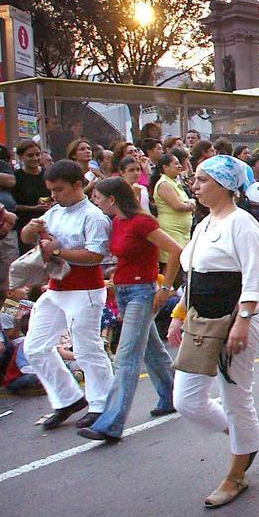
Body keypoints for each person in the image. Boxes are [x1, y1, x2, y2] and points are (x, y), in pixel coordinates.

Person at [167, 155, 259, 508]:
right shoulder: (205, 224)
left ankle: (236, 473)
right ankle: (248, 436)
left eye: (202, 180)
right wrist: (180, 314)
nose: (194, 186)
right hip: (202, 322)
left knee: (235, 395)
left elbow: (256, 277)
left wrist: (242, 321)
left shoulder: (242, 224)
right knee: (187, 399)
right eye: (194, 180)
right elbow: (193, 277)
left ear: (225, 185)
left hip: (233, 320)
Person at [79, 177, 182, 443]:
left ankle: (111, 423)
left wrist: (166, 287)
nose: (95, 200)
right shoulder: (118, 222)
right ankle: (172, 394)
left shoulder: (142, 222)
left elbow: (175, 250)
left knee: (126, 357)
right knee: (149, 347)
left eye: (98, 197)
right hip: (124, 291)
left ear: (112, 200)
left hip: (142, 292)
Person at [19, 160, 114, 430]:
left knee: (87, 348)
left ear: (77, 186)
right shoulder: (53, 212)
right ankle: (67, 399)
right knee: (35, 347)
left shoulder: (93, 216)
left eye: (59, 190)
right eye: (51, 190)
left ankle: (101, 404)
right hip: (57, 288)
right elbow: (28, 238)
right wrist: (32, 228)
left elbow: (96, 255)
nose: (54, 196)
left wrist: (57, 251)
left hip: (84, 289)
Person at [150, 153, 196, 266]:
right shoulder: (164, 184)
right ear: (165, 167)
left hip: (182, 231)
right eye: (176, 164)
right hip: (171, 230)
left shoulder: (174, 182)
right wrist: (191, 204)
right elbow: (178, 206)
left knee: (181, 264)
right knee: (172, 264)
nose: (179, 166)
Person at [10, 140, 50, 252]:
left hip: (48, 225)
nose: (35, 158)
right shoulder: (16, 177)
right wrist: (33, 208)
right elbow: (13, 206)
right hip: (25, 226)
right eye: (30, 155)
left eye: (38, 154)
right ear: (21, 157)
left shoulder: (48, 174)